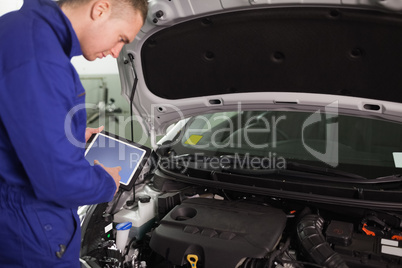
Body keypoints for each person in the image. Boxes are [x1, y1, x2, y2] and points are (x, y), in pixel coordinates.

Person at [0, 0, 147, 267]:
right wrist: (108, 182)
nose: (117, 53)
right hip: (27, 230)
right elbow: (59, 180)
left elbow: (20, 130)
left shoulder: (21, 32)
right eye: (121, 39)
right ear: (100, 9)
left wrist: (71, 136)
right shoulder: (39, 57)